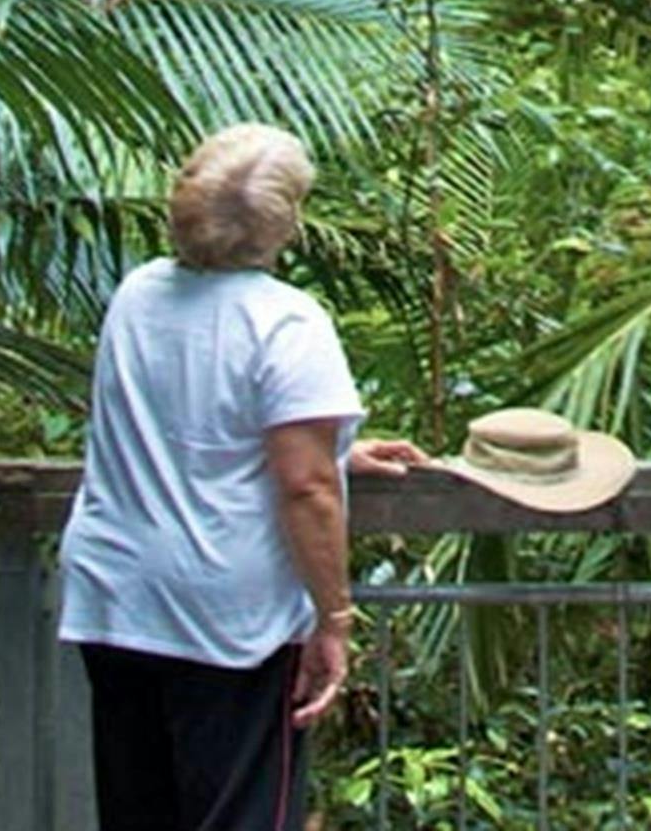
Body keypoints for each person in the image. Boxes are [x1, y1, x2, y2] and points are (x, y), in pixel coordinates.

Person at [58, 123, 427, 830]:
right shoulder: (287, 322)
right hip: (227, 617)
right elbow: (304, 488)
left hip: (118, 598)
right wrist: (335, 620)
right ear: (285, 219)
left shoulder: (137, 296)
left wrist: (334, 445)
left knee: (142, 814)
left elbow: (183, 417)